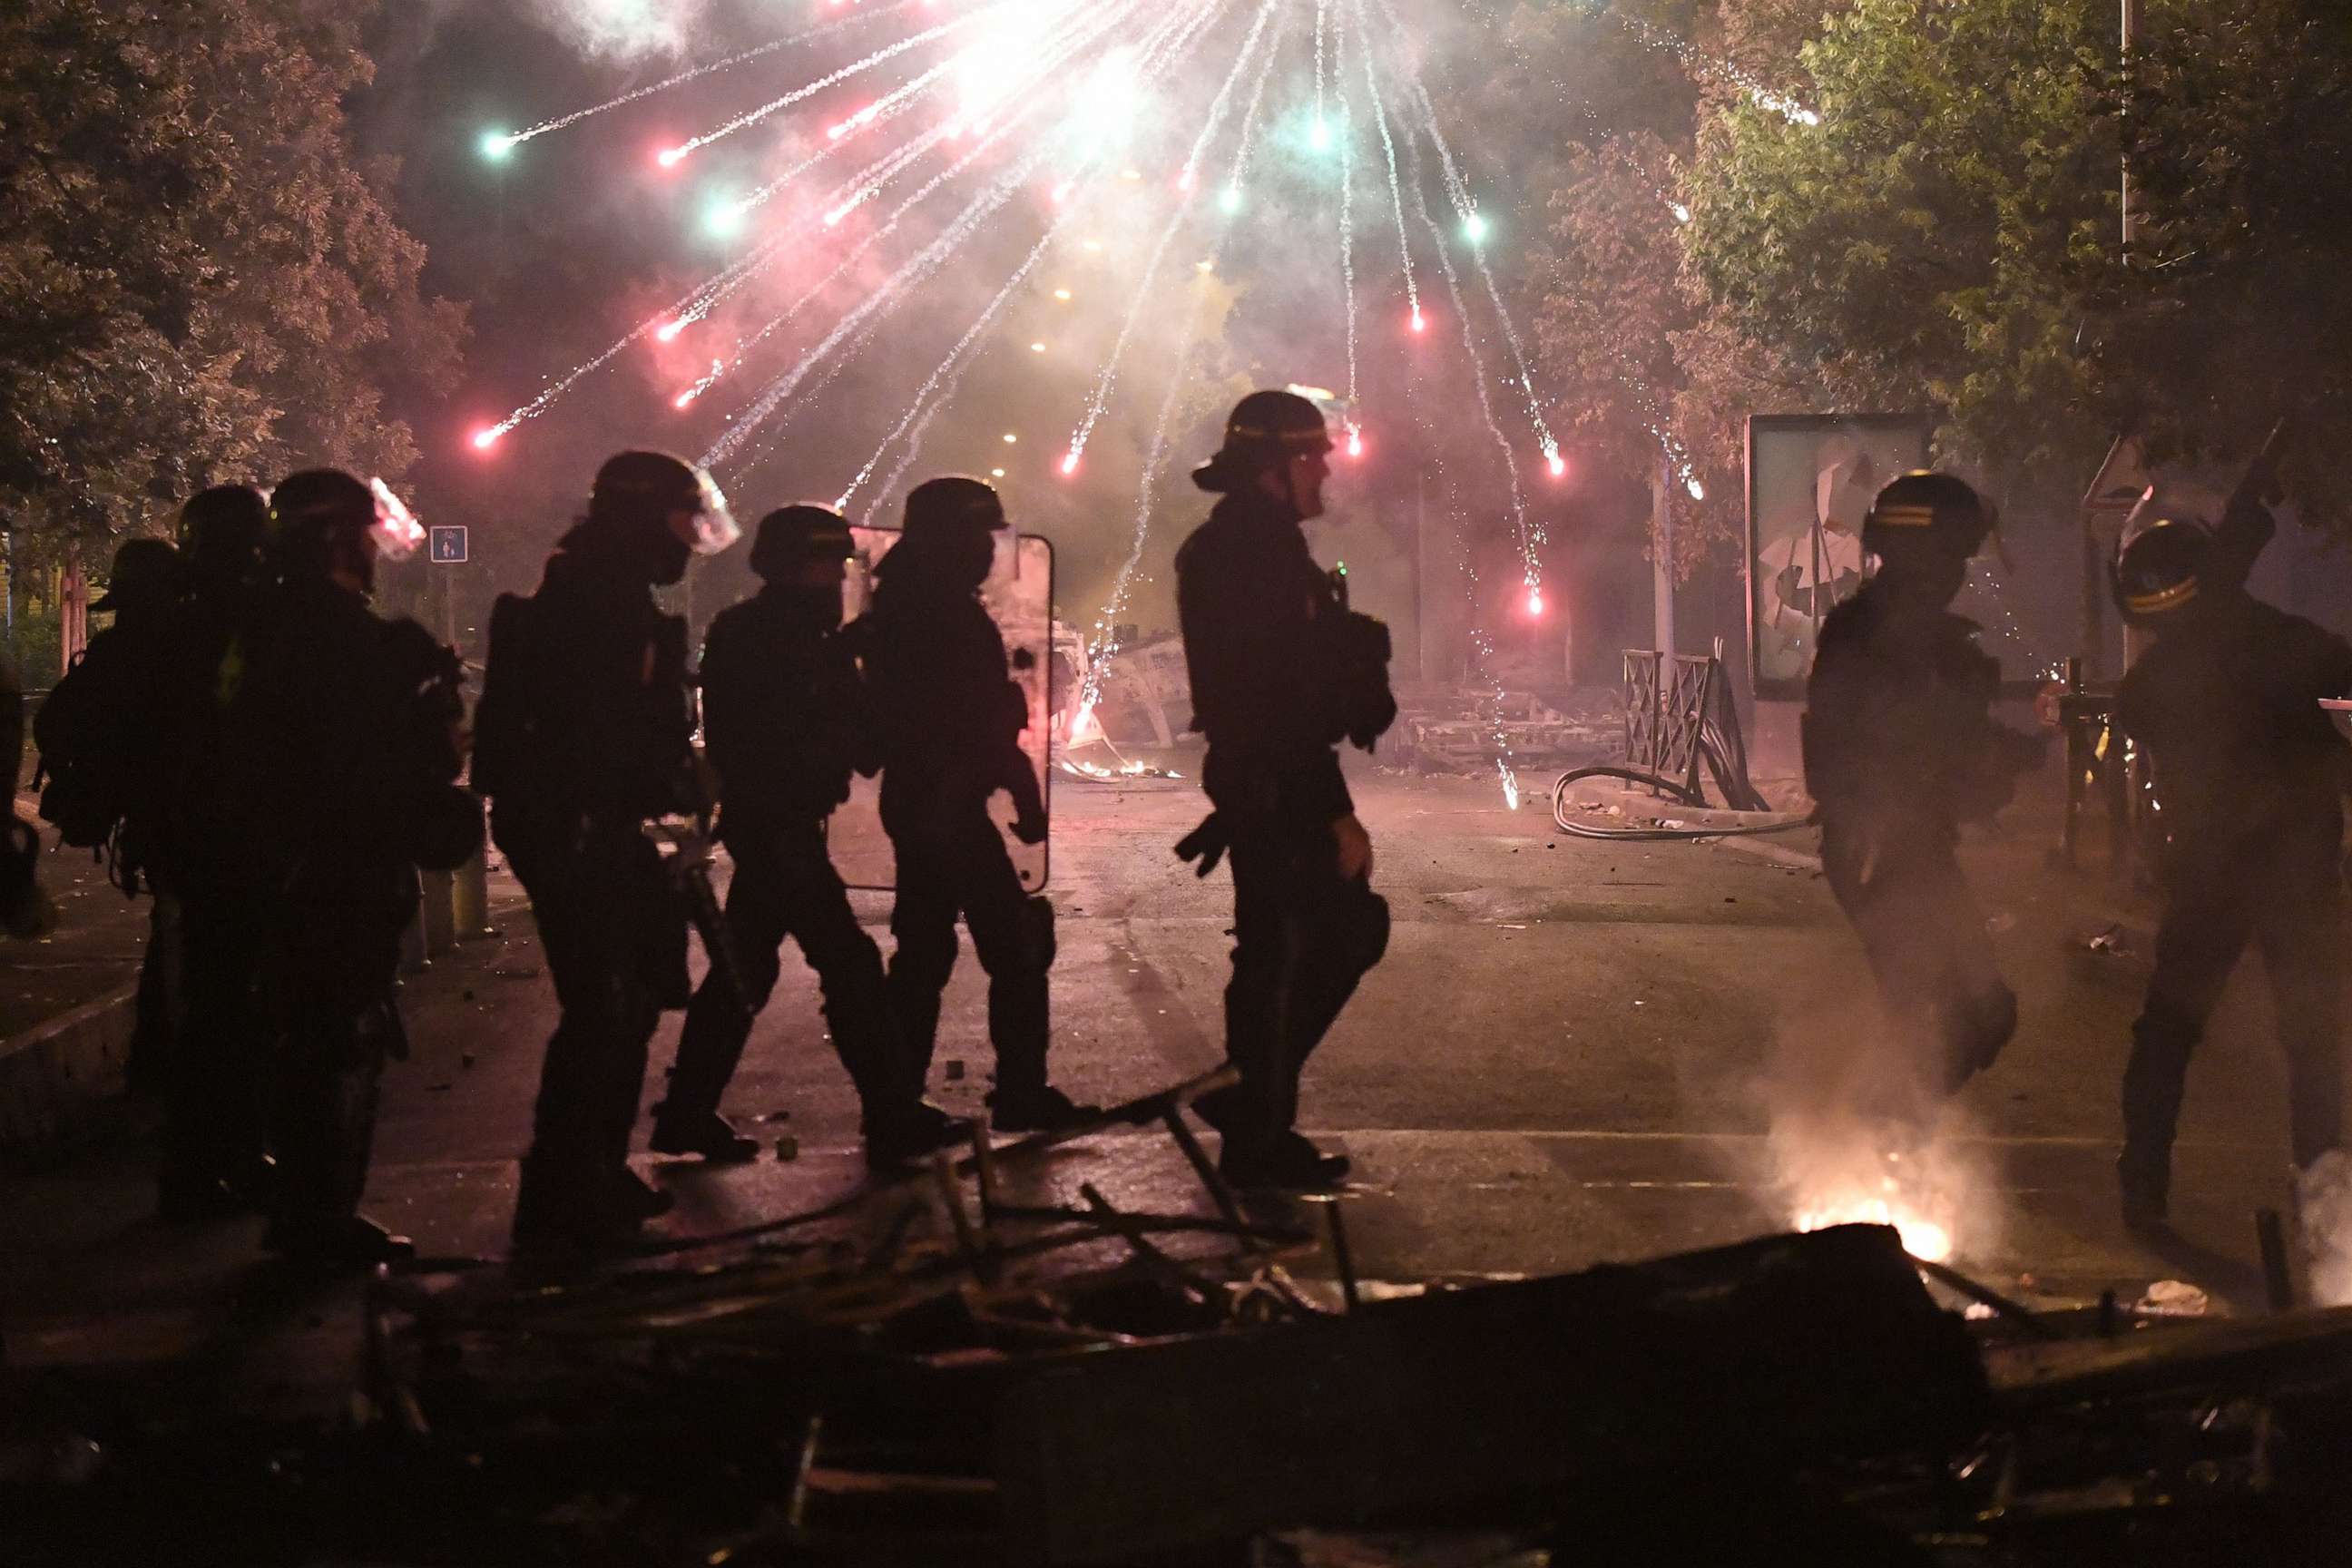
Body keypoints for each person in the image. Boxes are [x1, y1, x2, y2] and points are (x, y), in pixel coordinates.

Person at [474, 451, 738, 1253]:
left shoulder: (604, 595)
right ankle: (564, 1188)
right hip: (575, 825)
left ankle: (591, 1168)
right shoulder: (593, 605)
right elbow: (592, 736)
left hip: (588, 822)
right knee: (606, 1006)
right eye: (675, 524)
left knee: (627, 1000)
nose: (687, 543)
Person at [227, 469, 479, 1266]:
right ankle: (314, 1221)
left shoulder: (269, 621)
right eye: (365, 538)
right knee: (336, 1041)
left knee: (320, 1036)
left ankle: (313, 1213)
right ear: (337, 540)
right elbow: (364, 760)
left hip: (290, 864)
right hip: (330, 869)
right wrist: (416, 692)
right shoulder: (329, 634)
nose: (374, 554)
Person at [661, 505, 961, 1167]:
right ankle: (891, 1112)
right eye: (827, 564)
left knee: (749, 965)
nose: (836, 578)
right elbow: (780, 736)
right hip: (775, 823)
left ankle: (686, 1111)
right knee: (848, 964)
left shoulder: (790, 635)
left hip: (782, 819)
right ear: (792, 566)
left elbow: (860, 741)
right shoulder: (765, 636)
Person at [2110, 490, 2352, 1228]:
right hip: (2288, 868)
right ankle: (2321, 1199)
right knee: (2309, 1036)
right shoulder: (2263, 638)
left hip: (2223, 872)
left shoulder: (2174, 665)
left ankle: (2145, 1183)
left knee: (2172, 1032)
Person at [1174, 389, 1395, 1189]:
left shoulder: (1239, 549)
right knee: (1322, 941)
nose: (1327, 468)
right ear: (1277, 467)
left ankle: (1256, 1114)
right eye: (1314, 455)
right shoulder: (1255, 558)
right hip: (1280, 776)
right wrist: (1335, 812)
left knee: (1282, 951)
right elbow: (1281, 698)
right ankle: (1253, 1117)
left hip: (1262, 772)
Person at [855, 476, 1091, 1132]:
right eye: (979, 537)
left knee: (925, 952)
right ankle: (1014, 1093)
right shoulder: (935, 612)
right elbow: (964, 719)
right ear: (950, 539)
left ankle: (897, 1109)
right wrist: (1016, 782)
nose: (989, 552)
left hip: (929, 798)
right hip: (945, 801)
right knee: (1014, 946)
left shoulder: (908, 603)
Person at [1802, 471, 2043, 1110]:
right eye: (1955, 555)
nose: (1960, 572)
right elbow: (1878, 736)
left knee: (1967, 1013)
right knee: (1936, 1011)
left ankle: (1899, 1136)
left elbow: (1944, 737)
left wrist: (1999, 752)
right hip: (1883, 846)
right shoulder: (1870, 634)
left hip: (1912, 845)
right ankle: (1890, 1141)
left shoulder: (1915, 636)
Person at [152, 485, 277, 1219]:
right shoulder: (239, 622)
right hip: (238, 839)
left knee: (214, 1008)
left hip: (196, 842)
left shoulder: (180, 622)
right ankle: (220, 1162)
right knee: (241, 1009)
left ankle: (205, 1165)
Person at [32, 536, 183, 1092]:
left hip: (158, 826)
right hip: (203, 826)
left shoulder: (118, 655)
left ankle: (154, 1070)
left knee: (174, 936)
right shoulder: (207, 648)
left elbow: (53, 723)